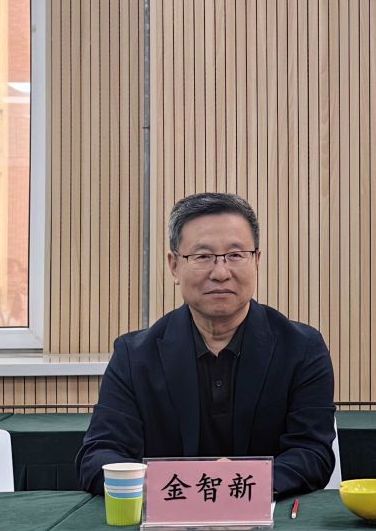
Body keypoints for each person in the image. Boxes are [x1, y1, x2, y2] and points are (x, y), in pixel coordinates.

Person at [76, 193, 336, 497]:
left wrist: (237, 482)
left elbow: (312, 453)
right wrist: (178, 486)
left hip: (269, 520)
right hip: (168, 516)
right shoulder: (134, 356)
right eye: (203, 257)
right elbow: (99, 455)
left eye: (235, 255)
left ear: (257, 260)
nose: (221, 273)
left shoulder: (302, 349)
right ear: (174, 265)